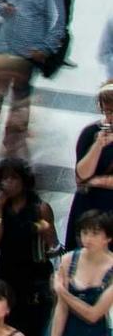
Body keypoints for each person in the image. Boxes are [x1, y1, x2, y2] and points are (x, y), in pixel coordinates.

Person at [0, 0, 66, 158]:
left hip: (27, 54)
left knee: (20, 100)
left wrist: (46, 48)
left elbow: (58, 21)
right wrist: (4, 8)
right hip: (4, 49)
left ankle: (12, 142)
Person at [0, 158, 55, 336]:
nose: (8, 183)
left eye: (13, 178)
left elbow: (52, 246)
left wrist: (44, 230)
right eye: (4, 179)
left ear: (24, 181)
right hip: (4, 276)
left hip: (34, 282)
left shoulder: (40, 208)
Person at [67, 87, 113, 251]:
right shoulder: (90, 132)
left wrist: (96, 181)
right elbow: (81, 176)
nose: (110, 117)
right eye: (107, 111)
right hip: (89, 203)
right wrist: (98, 145)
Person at [52, 212, 113, 335]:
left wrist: (62, 291)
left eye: (95, 234)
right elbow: (62, 307)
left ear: (108, 237)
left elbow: (93, 315)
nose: (88, 239)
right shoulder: (68, 259)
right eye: (84, 233)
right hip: (69, 329)